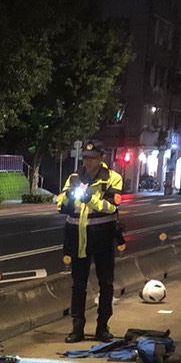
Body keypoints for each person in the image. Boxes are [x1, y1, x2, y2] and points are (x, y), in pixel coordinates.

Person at [56, 139, 124, 343]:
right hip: (78, 237)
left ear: (102, 158)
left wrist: (90, 199)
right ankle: (77, 328)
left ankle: (102, 327)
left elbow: (111, 206)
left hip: (103, 236)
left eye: (93, 158)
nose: (88, 162)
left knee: (106, 283)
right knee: (78, 284)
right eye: (85, 158)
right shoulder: (74, 178)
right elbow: (61, 205)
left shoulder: (112, 178)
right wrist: (68, 197)